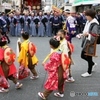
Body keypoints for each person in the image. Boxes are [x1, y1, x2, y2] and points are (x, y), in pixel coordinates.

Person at [77, 9, 98, 77]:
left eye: (86, 15)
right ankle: (92, 64)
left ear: (90, 16)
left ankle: (89, 72)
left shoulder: (95, 24)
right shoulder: (89, 21)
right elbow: (86, 31)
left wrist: (87, 34)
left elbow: (95, 34)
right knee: (84, 55)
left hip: (90, 42)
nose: (85, 16)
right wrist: (82, 34)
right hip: (87, 40)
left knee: (88, 56)